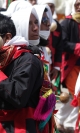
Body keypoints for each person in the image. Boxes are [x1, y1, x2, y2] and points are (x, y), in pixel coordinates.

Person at [54, 0, 80, 132]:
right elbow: (62, 44)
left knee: (74, 96)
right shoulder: (66, 22)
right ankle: (70, 123)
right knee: (78, 95)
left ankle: (60, 120)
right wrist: (77, 47)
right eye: (77, 4)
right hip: (71, 66)